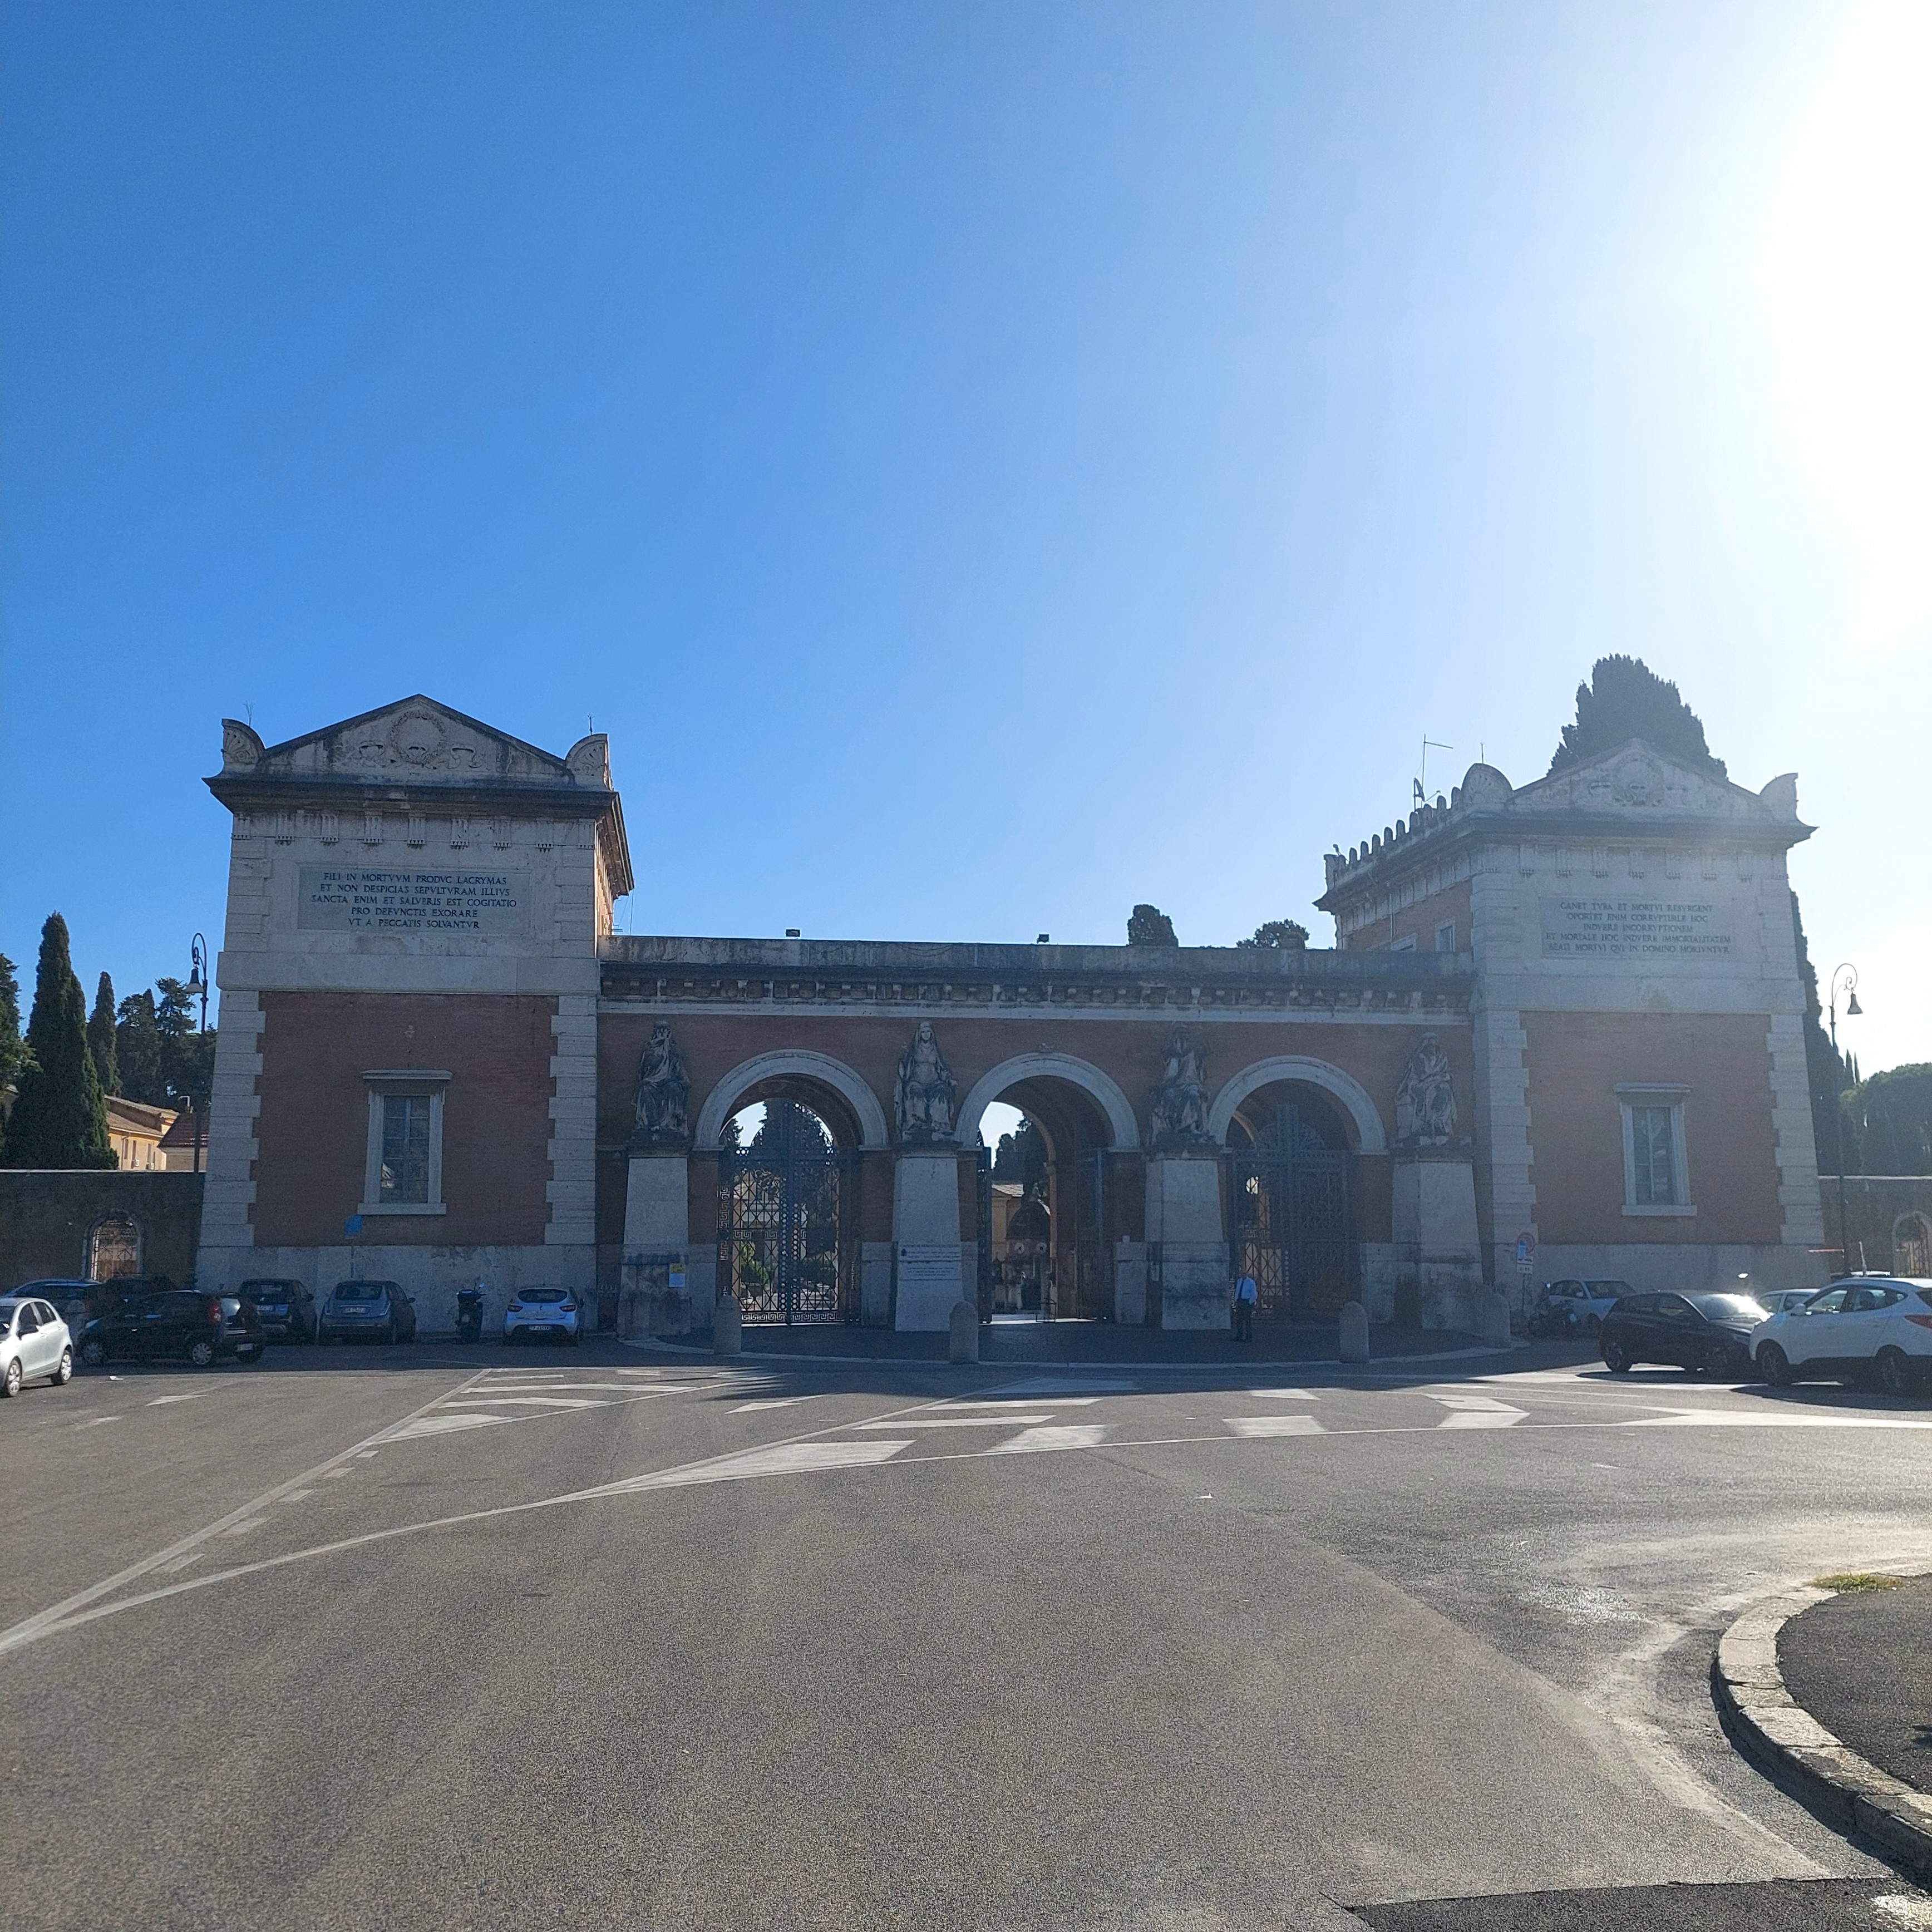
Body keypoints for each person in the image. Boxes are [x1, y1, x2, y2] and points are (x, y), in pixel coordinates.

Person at [1232, 1271, 1258, 1342]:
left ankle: (1248, 1337)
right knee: (1239, 1320)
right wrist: (1236, 1299)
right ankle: (1239, 1336)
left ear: (1247, 1274)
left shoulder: (1251, 1282)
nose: (1243, 1275)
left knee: (1247, 1321)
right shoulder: (1239, 1281)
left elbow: (1254, 1294)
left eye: (1244, 1274)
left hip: (1246, 1302)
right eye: (1242, 1274)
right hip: (1240, 1302)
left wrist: (1250, 1303)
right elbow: (1237, 1291)